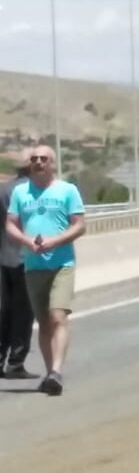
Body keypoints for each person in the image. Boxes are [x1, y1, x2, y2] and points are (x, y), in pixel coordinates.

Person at [5, 145, 86, 396]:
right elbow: (11, 224)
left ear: (52, 163)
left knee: (57, 317)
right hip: (33, 265)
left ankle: (57, 371)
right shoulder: (21, 192)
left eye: (44, 159)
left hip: (62, 264)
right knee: (43, 323)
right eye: (35, 159)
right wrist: (27, 241)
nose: (39, 162)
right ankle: (51, 373)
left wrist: (55, 241)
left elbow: (80, 225)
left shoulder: (67, 190)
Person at [0, 150, 39, 380]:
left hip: (3, 257)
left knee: (5, 311)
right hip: (27, 259)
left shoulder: (3, 190)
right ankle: (16, 362)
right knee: (24, 313)